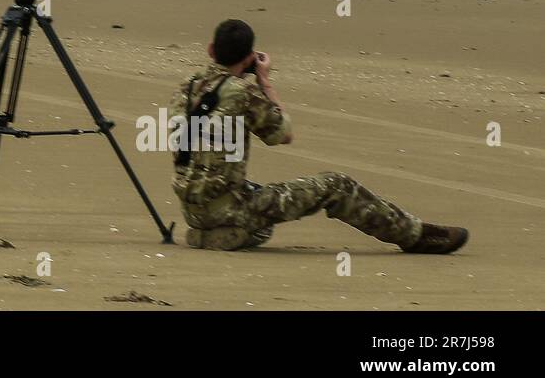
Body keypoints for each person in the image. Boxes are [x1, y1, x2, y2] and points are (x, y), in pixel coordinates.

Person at [170, 18, 467, 253]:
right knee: (336, 185)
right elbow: (282, 134)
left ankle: (216, 232)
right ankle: (413, 235)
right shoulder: (243, 92)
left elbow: (183, 143)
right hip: (227, 208)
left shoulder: (188, 85)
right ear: (249, 58)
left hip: (193, 208)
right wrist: (265, 83)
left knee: (251, 197)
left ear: (211, 50)